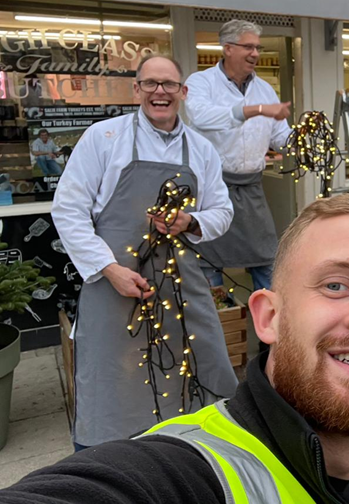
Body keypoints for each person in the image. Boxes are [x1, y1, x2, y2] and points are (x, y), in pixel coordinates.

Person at [2, 194, 349, 504]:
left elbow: (219, 213)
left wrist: (190, 222)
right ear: (268, 318)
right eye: (335, 285)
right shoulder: (186, 472)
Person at [50, 54, 238, 451]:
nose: (160, 92)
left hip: (180, 282)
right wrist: (108, 268)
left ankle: (193, 452)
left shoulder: (201, 149)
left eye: (169, 84)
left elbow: (223, 211)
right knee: (111, 377)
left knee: (202, 366)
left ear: (183, 92)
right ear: (137, 90)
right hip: (112, 281)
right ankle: (104, 460)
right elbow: (67, 208)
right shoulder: (103, 138)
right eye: (151, 84)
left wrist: (190, 222)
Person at [184, 19, 292, 299]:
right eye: (248, 47)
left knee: (267, 262)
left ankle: (272, 336)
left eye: (257, 47)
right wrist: (255, 110)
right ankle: (219, 334)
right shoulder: (201, 82)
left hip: (251, 190)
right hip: (210, 191)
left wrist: (306, 141)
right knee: (208, 268)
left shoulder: (265, 89)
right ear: (228, 48)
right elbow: (201, 117)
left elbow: (280, 136)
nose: (255, 53)